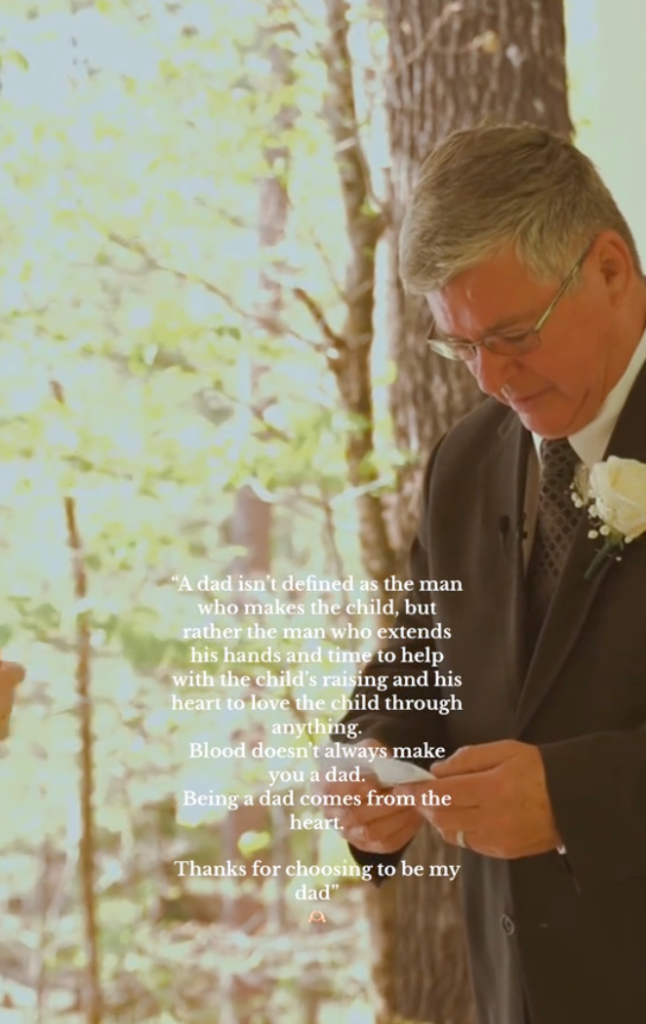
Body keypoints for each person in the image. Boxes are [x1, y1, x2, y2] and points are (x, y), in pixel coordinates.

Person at [321, 124, 646, 1024]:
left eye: (512, 333)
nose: (491, 380)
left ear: (611, 268)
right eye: (459, 347)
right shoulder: (464, 462)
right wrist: (367, 756)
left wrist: (577, 800)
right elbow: (418, 665)